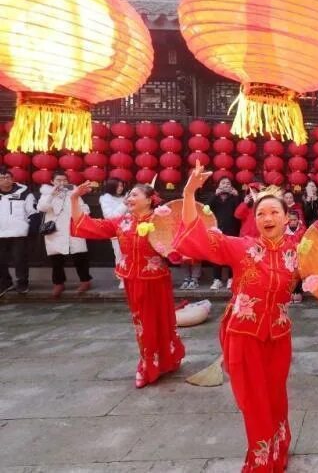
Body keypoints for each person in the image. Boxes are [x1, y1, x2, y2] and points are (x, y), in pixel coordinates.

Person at [175, 161, 298, 472]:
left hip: (279, 335)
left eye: (274, 212)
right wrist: (190, 194)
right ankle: (260, 459)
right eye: (261, 213)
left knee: (275, 395)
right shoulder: (242, 248)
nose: (267, 217)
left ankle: (278, 447)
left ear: (287, 218)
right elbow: (198, 238)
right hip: (244, 335)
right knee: (254, 400)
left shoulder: (299, 250)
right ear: (254, 220)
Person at [70, 181, 184, 388]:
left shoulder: (162, 219)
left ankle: (167, 359)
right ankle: (148, 365)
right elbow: (87, 226)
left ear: (149, 200)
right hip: (133, 279)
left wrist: (172, 249)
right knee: (143, 324)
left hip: (156, 279)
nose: (128, 199)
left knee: (162, 320)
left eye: (134, 195)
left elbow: (179, 245)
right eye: (129, 195)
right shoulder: (121, 222)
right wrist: (74, 198)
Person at [37, 171, 92, 298]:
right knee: (56, 259)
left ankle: (85, 281)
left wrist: (82, 214)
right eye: (58, 180)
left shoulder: (74, 192)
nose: (61, 183)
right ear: (52, 182)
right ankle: (58, 283)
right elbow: (42, 207)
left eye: (64, 180)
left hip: (73, 228)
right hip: (56, 230)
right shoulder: (46, 193)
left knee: (80, 256)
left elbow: (84, 207)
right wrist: (52, 195)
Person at [0, 166, 36, 295]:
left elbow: (32, 212)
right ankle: (5, 282)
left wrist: (32, 229)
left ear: (13, 179)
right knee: (1, 260)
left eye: (7, 177)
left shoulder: (25, 193)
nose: (5, 180)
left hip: (19, 232)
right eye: (1, 178)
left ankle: (22, 282)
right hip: (0, 232)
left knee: (19, 259)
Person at [207, 176, 242, 290]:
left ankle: (231, 278)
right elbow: (206, 208)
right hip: (217, 229)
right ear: (218, 185)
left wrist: (236, 196)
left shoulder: (234, 198)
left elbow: (239, 212)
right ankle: (217, 279)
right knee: (216, 255)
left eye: (228, 183)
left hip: (232, 230)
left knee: (231, 254)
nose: (226, 185)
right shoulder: (215, 197)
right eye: (223, 183)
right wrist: (215, 195)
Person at [100, 178, 128, 289]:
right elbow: (110, 216)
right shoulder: (105, 199)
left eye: (121, 186)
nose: (120, 188)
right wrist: (125, 204)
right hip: (117, 231)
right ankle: (122, 279)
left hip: (131, 229)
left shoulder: (127, 196)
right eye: (117, 186)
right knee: (120, 255)